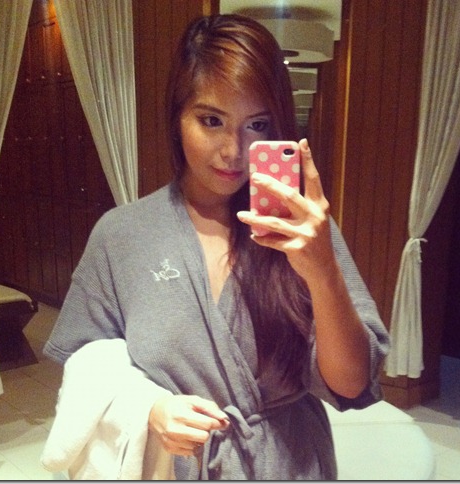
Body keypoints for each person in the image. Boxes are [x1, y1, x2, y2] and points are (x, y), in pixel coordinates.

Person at [43, 14, 389, 480]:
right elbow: (86, 362)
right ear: (177, 119)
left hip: (289, 464)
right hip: (178, 466)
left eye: (257, 124)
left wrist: (323, 271)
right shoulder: (121, 235)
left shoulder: (303, 229)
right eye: (211, 120)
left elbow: (349, 384)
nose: (234, 151)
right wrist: (147, 407)